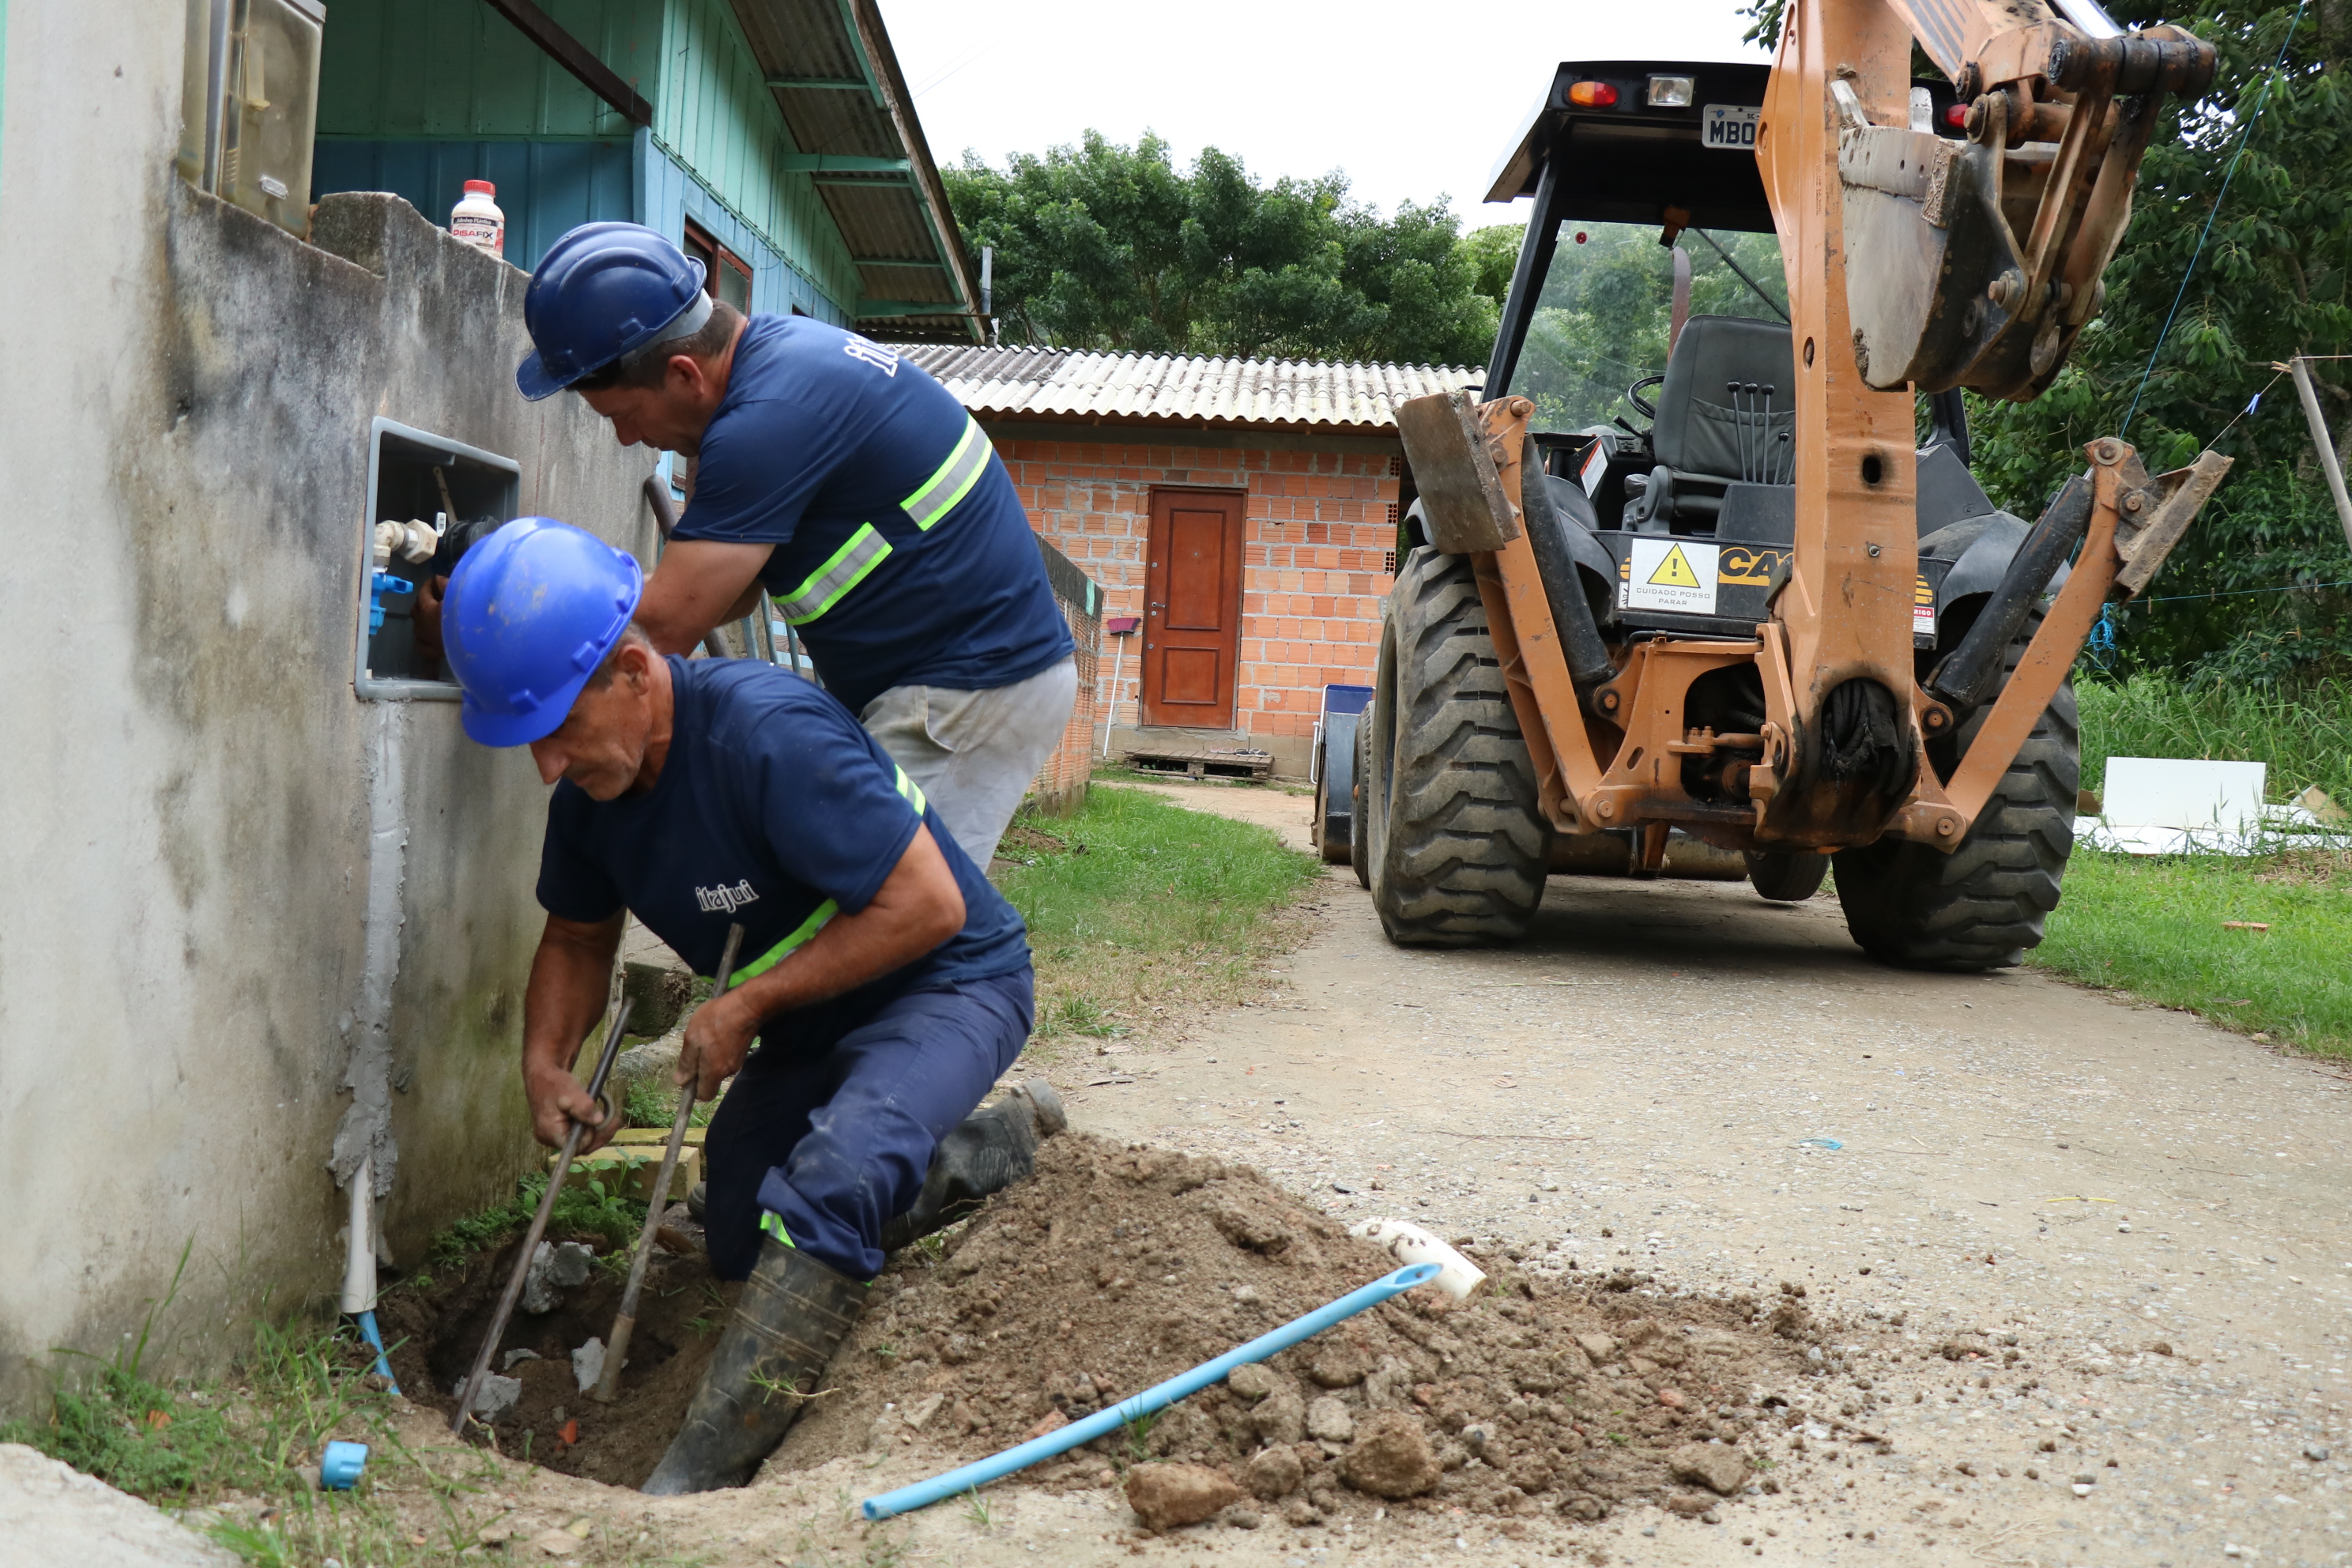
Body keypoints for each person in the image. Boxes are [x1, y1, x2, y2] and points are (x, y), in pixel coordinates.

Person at [439, 516, 1064, 1494]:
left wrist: (748, 1003)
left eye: (558, 729)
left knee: (837, 1176)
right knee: (740, 1234)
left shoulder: (767, 736)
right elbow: (576, 938)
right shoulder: (592, 803)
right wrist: (545, 1062)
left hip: (945, 981)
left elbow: (929, 905)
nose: (548, 767)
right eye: (530, 743)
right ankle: (971, 1152)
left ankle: (701, 1469)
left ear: (635, 673)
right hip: (813, 1022)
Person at [512, 221, 1076, 870]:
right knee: (830, 889)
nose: (625, 439)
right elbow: (727, 595)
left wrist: (510, 630)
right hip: (954, 681)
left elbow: (664, 626)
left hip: (967, 691)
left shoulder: (765, 422)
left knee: (889, 905)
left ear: (684, 374)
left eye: (624, 415)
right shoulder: (775, 371)